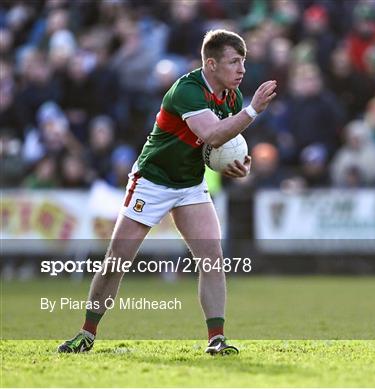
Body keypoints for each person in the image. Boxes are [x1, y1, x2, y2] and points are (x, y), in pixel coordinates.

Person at [57, 29, 277, 356]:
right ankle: (86, 333)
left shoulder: (230, 96)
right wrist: (253, 110)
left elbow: (220, 147)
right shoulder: (187, 90)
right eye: (234, 62)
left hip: (189, 184)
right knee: (116, 261)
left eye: (243, 61)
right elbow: (212, 134)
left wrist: (237, 163)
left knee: (213, 259)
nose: (242, 69)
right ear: (212, 64)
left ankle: (216, 339)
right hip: (152, 180)